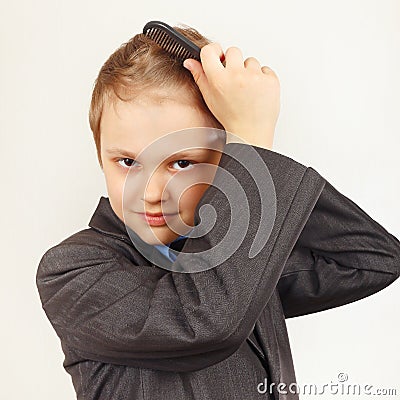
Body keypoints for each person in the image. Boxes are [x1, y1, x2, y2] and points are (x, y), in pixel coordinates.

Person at [36, 24, 400, 400]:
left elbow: (373, 259)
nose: (149, 193)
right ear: (100, 156)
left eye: (181, 163)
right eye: (127, 161)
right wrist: (255, 152)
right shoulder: (71, 271)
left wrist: (252, 157)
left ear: (226, 166)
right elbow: (204, 319)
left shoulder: (238, 256)